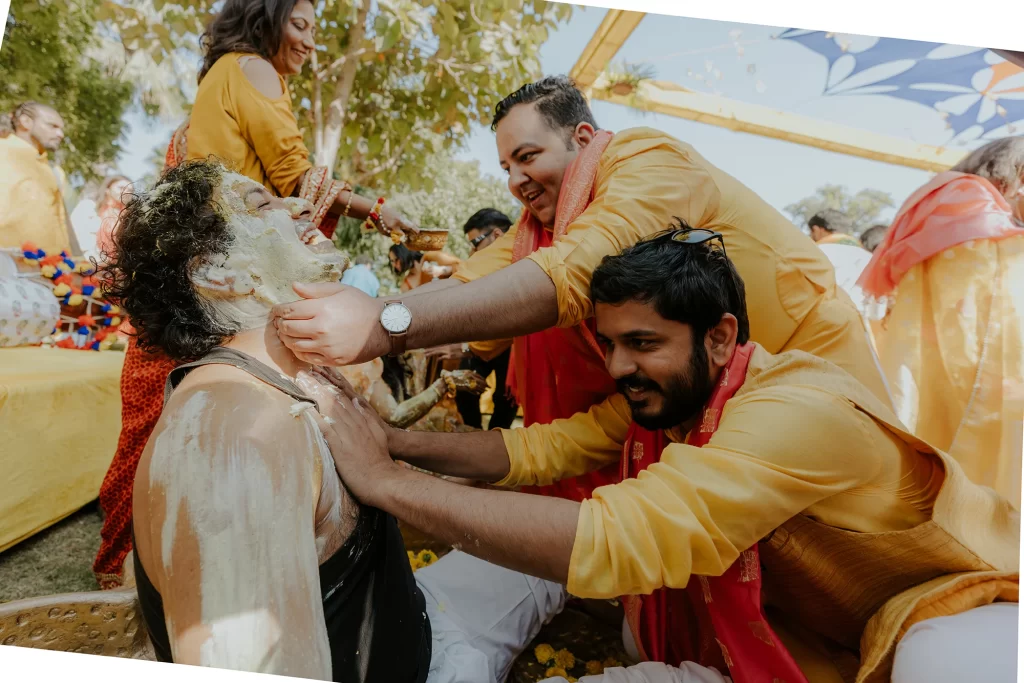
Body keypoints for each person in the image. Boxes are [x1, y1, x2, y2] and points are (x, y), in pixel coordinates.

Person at [312, 224, 1019, 683]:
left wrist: (383, 479)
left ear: (719, 337)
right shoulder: (672, 399)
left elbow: (627, 536)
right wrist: (394, 440)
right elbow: (544, 450)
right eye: (610, 344)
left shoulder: (796, 410)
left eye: (643, 343)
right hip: (761, 642)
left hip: (936, 622)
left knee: (943, 659)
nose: (620, 366)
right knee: (590, 581)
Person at [273, 75, 892, 504]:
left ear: (584, 140)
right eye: (505, 169)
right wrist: (367, 322)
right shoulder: (537, 228)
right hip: (689, 402)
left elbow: (578, 271)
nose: (516, 180)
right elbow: (476, 278)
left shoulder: (650, 162)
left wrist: (385, 324)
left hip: (806, 378)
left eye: (527, 156)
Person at [101, 159, 564, 682]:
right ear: (218, 274)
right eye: (263, 205)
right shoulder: (229, 434)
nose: (302, 206)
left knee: (551, 566)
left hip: (418, 624)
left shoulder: (300, 380)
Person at [93, 0, 420, 588]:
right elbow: (295, 175)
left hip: (195, 292)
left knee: (153, 433)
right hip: (227, 300)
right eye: (300, 24)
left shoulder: (208, 94)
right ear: (264, 18)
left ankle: (130, 572)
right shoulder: (252, 67)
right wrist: (378, 211)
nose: (310, 43)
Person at [859, 136, 1024, 508]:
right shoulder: (971, 203)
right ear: (1013, 174)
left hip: (925, 357)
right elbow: (1000, 296)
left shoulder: (939, 198)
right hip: (969, 370)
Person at [453, 208, 519, 430]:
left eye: (476, 242)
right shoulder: (479, 265)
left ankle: (496, 447)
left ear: (497, 236)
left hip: (513, 346)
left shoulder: (524, 261)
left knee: (506, 399)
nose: (472, 251)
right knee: (463, 388)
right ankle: (474, 439)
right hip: (480, 343)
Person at [0, 101, 81, 255]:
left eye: (61, 129)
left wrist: (81, 266)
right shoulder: (2, 151)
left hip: (51, 272)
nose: (60, 134)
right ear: (26, 122)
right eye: (53, 126)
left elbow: (63, 226)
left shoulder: (54, 172)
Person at [389, 243, 461, 292]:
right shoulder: (406, 285)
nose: (394, 265)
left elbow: (463, 267)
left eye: (396, 260)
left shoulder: (431, 257)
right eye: (392, 261)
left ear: (403, 254)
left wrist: (442, 270)